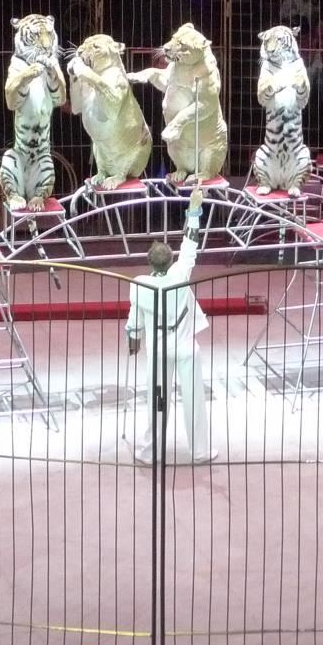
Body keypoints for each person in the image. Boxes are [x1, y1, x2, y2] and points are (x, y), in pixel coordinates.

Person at [126, 187, 214, 464]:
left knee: (157, 400)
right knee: (194, 399)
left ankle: (151, 452)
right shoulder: (180, 273)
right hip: (185, 346)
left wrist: (133, 340)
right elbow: (190, 243)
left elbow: (135, 320)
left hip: (159, 350)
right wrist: (194, 209)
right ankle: (200, 451)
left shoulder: (140, 284)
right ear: (171, 259)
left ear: (149, 262)